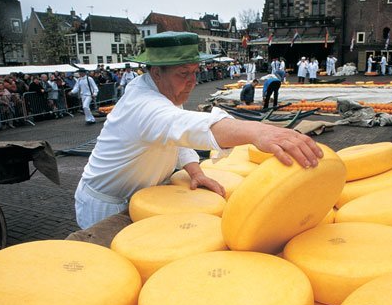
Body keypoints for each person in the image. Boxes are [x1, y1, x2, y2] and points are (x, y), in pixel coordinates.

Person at [74, 32, 322, 229]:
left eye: (195, 72)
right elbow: (187, 127)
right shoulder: (143, 104)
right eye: (184, 73)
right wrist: (258, 131)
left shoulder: (164, 91)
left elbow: (175, 138)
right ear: (156, 72)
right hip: (107, 206)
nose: (192, 81)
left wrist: (195, 171)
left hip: (144, 196)